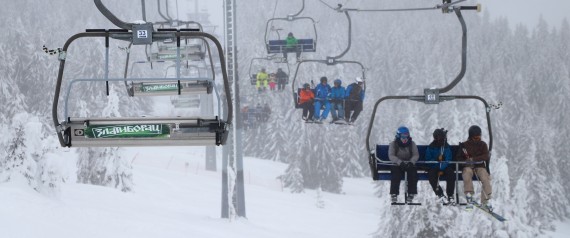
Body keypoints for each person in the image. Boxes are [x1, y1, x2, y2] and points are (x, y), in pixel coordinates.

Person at [456, 125, 492, 210]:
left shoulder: (483, 144)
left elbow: (486, 156)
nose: (478, 139)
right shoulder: (464, 145)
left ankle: (485, 200)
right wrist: (466, 161)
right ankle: (469, 196)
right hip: (468, 167)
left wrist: (474, 159)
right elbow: (458, 158)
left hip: (480, 166)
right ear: (471, 137)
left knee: (485, 177)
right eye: (475, 138)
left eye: (479, 137)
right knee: (467, 173)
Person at [389, 126, 419, 204]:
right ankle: (394, 194)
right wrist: (399, 162)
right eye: (403, 135)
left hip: (409, 163)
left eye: (407, 135)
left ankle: (411, 193)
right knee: (396, 175)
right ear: (399, 135)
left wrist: (411, 162)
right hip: (397, 164)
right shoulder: (394, 144)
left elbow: (416, 154)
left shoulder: (412, 144)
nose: (405, 137)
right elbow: (391, 155)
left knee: (413, 174)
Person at [424, 128, 455, 205]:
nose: (441, 140)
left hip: (444, 166)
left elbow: (448, 158)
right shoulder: (431, 147)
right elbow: (428, 159)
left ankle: (450, 195)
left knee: (451, 173)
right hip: (434, 167)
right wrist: (437, 163)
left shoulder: (445, 147)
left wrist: (442, 165)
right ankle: (440, 194)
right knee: (431, 175)